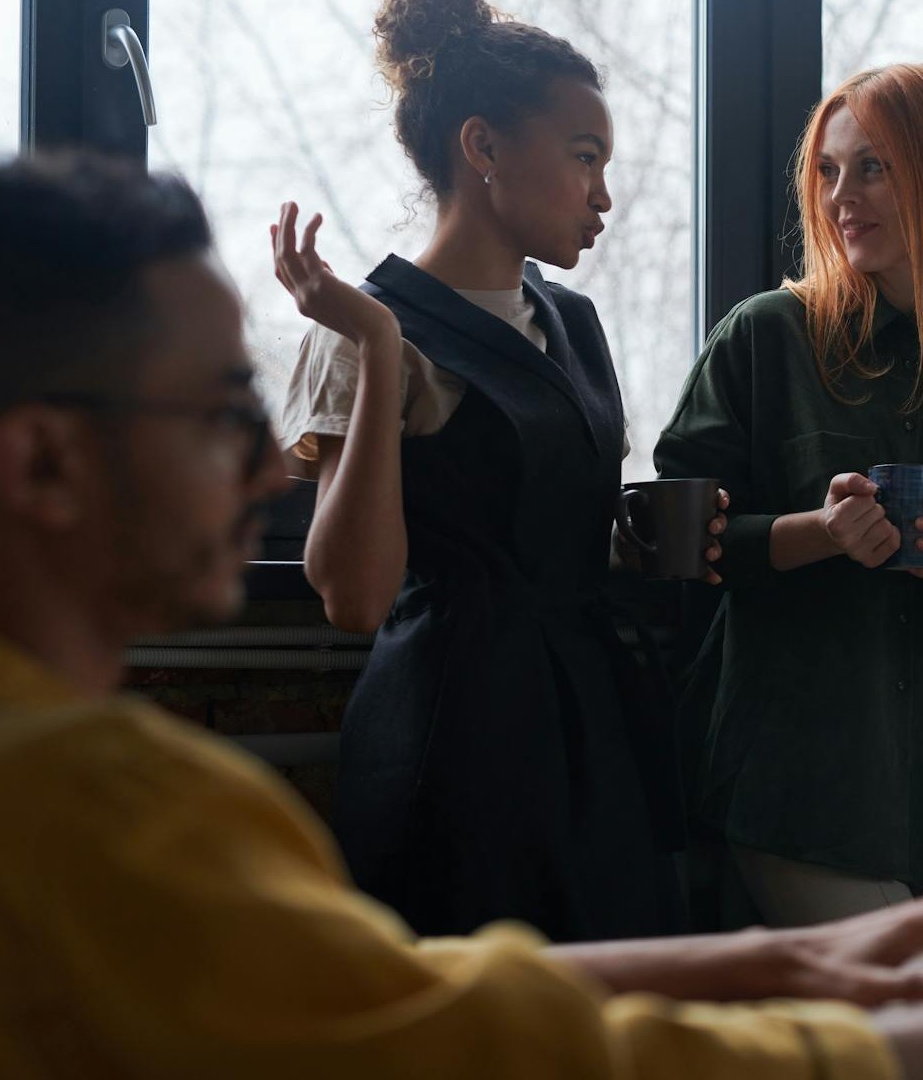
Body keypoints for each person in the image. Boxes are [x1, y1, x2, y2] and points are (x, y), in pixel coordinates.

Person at [0, 150, 923, 1080]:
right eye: (220, 412)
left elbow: (417, 989)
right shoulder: (89, 796)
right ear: (44, 467)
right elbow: (458, 1044)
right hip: (490, 721)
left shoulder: (53, 771)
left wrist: (796, 963)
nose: (262, 466)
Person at [275, 0, 715, 940]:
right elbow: (354, 597)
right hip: (453, 730)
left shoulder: (573, 323)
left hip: (589, 721)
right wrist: (385, 347)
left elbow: (546, 524)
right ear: (483, 146)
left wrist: (634, 542)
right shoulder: (359, 332)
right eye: (585, 155)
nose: (604, 196)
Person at [654, 63, 923, 925]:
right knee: (912, 1029)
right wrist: (820, 533)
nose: (841, 196)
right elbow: (676, 544)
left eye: (873, 167)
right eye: (828, 171)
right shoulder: (765, 337)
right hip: (801, 791)